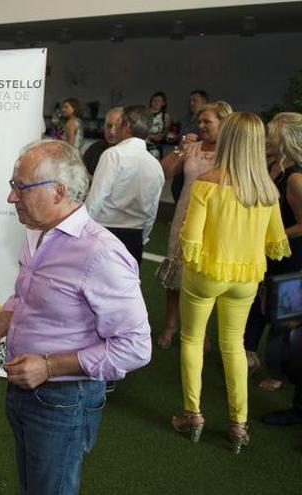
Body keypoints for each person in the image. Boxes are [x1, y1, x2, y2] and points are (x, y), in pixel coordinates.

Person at [0, 139, 151, 495]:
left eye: (21, 188)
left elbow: (136, 348)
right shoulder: (36, 233)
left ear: (59, 192)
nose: (11, 198)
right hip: (25, 391)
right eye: (12, 186)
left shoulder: (101, 254)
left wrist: (49, 366)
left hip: (65, 400)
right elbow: (25, 297)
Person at [172, 112, 290, 454]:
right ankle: (239, 423)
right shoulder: (267, 191)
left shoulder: (207, 182)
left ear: (227, 140)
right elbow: (277, 242)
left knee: (192, 340)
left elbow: (189, 238)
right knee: (234, 346)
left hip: (205, 274)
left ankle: (192, 414)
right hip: (246, 279)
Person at [155, 101, 232, 349]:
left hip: (215, 222)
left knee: (205, 278)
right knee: (176, 273)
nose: (201, 126)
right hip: (184, 216)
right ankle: (170, 325)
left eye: (207, 121)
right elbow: (165, 173)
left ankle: (201, 330)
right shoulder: (193, 146)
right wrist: (180, 149)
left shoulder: (231, 154)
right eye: (199, 121)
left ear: (224, 123)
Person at [245, 112, 302, 395]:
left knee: (284, 317)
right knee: (257, 302)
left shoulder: (295, 179)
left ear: (286, 140)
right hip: (268, 253)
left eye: (272, 135)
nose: (266, 140)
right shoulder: (273, 168)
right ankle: (249, 354)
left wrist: (270, 239)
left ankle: (278, 372)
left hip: (291, 258)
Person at [86, 105, 165, 265]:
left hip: (104, 232)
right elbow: (152, 212)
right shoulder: (155, 165)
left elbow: (96, 200)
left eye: (119, 122)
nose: (114, 129)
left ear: (127, 125)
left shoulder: (113, 155)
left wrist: (82, 231)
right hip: (135, 236)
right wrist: (141, 238)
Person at [171, 90, 210, 202]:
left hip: (197, 163)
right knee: (177, 189)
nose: (191, 103)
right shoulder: (184, 120)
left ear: (205, 102)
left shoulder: (206, 123)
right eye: (190, 101)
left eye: (195, 101)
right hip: (181, 160)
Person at [82, 107, 122, 176]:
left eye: (117, 127)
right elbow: (81, 170)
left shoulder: (129, 154)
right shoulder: (95, 148)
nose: (112, 131)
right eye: (109, 126)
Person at [147, 91, 172, 159]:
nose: (156, 102)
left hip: (155, 147)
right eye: (154, 100)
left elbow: (164, 134)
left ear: (163, 103)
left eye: (159, 101)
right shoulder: (144, 113)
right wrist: (150, 135)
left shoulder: (165, 116)